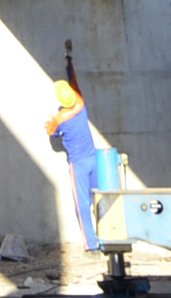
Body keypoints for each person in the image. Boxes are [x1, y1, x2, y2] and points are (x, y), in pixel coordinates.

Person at [46, 79, 101, 253]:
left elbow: (52, 133)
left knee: (82, 204)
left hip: (78, 164)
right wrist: (69, 65)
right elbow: (75, 83)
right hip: (93, 158)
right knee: (100, 197)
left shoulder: (59, 119)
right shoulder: (80, 103)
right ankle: (107, 236)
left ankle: (91, 244)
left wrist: (48, 121)